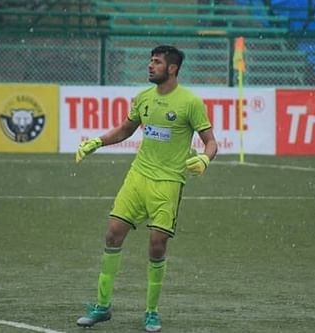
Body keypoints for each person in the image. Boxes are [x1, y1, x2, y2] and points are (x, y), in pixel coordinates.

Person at [75, 45, 218, 332]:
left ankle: (151, 312)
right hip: (138, 176)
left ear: (172, 68)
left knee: (156, 246)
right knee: (113, 235)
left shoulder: (190, 102)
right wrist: (97, 141)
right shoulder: (143, 98)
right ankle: (102, 307)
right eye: (150, 61)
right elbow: (126, 129)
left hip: (168, 183)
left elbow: (211, 142)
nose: (150, 66)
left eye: (157, 62)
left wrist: (204, 158)